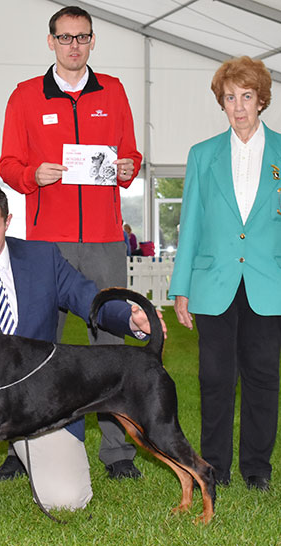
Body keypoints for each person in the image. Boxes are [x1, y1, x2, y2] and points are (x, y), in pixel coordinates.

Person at [0, 182, 164, 511]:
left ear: (8, 222)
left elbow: (87, 298)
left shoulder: (43, 257)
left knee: (67, 502)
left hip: (43, 398)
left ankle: (22, 450)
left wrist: (130, 319)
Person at [0, 5, 143, 480]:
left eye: (82, 38)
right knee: (41, 347)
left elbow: (130, 154)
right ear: (50, 41)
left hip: (104, 239)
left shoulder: (115, 91)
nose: (74, 46)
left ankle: (119, 453)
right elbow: (7, 166)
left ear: (93, 40)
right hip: (47, 244)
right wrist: (31, 175)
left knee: (113, 344)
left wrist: (128, 168)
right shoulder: (24, 97)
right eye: (65, 38)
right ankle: (27, 450)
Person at [169, 56, 281, 491]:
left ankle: (257, 469)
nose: (238, 107)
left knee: (263, 377)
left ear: (261, 101)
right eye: (230, 98)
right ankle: (214, 466)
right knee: (214, 379)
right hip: (213, 284)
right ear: (221, 103)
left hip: (268, 284)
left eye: (246, 97)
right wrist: (181, 289)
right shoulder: (202, 155)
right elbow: (190, 223)